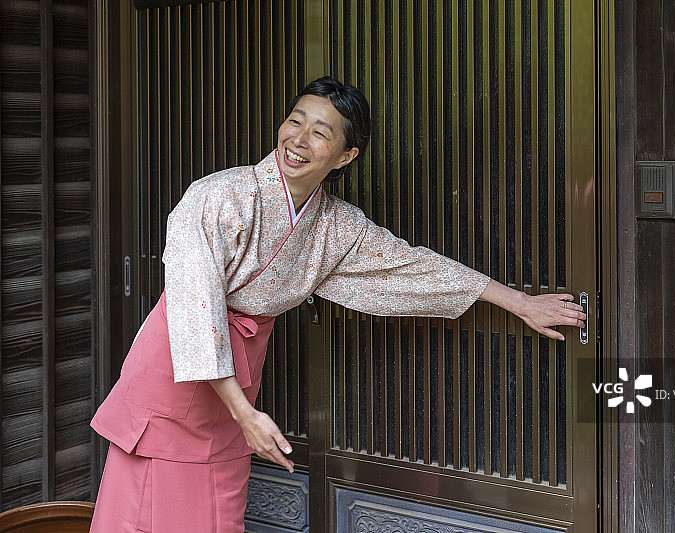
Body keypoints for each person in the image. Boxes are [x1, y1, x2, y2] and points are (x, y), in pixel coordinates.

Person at [88, 76, 586, 532]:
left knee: (219, 516)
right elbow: (195, 309)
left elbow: (413, 268)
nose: (299, 140)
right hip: (178, 371)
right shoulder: (217, 196)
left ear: (345, 156)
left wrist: (520, 303)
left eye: (320, 133)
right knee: (149, 515)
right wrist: (245, 415)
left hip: (239, 384)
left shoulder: (333, 225)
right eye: (295, 121)